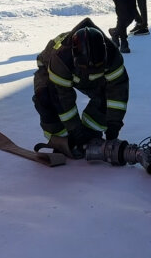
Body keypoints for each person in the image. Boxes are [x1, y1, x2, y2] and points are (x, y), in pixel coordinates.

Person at [32, 18, 130, 157]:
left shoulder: (113, 56)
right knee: (45, 97)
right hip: (50, 69)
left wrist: (113, 126)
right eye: (87, 68)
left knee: (107, 95)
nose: (91, 72)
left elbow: (118, 95)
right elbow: (63, 100)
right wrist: (75, 132)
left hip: (79, 73)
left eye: (97, 68)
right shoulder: (61, 60)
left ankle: (91, 133)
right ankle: (60, 140)